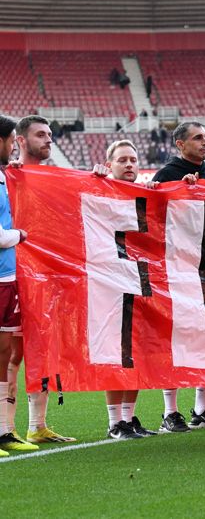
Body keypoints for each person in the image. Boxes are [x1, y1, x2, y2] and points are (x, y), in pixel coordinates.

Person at [152, 122, 205, 432]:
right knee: (175, 338)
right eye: (197, 138)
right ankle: (169, 412)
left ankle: (201, 408)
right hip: (176, 268)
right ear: (179, 144)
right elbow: (156, 218)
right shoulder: (167, 175)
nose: (204, 143)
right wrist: (181, 192)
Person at [4, 115, 76, 445]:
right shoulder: (9, 176)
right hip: (14, 275)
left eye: (50, 134)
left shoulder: (57, 178)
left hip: (47, 277)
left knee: (43, 349)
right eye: (40, 135)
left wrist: (103, 176)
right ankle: (6, 428)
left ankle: (37, 425)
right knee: (13, 353)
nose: (49, 140)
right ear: (19, 140)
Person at [91, 140, 163, 439]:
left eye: (133, 159)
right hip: (109, 284)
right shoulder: (98, 190)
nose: (130, 164)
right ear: (110, 165)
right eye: (122, 160)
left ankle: (129, 418)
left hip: (139, 281)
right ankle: (114, 423)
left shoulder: (146, 195)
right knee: (116, 353)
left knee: (138, 352)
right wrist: (95, 180)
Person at [0, 115, 40, 455]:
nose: (13, 145)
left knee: (4, 353)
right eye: (11, 139)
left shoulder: (3, 177)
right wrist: (20, 236)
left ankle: (3, 431)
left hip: (7, 279)